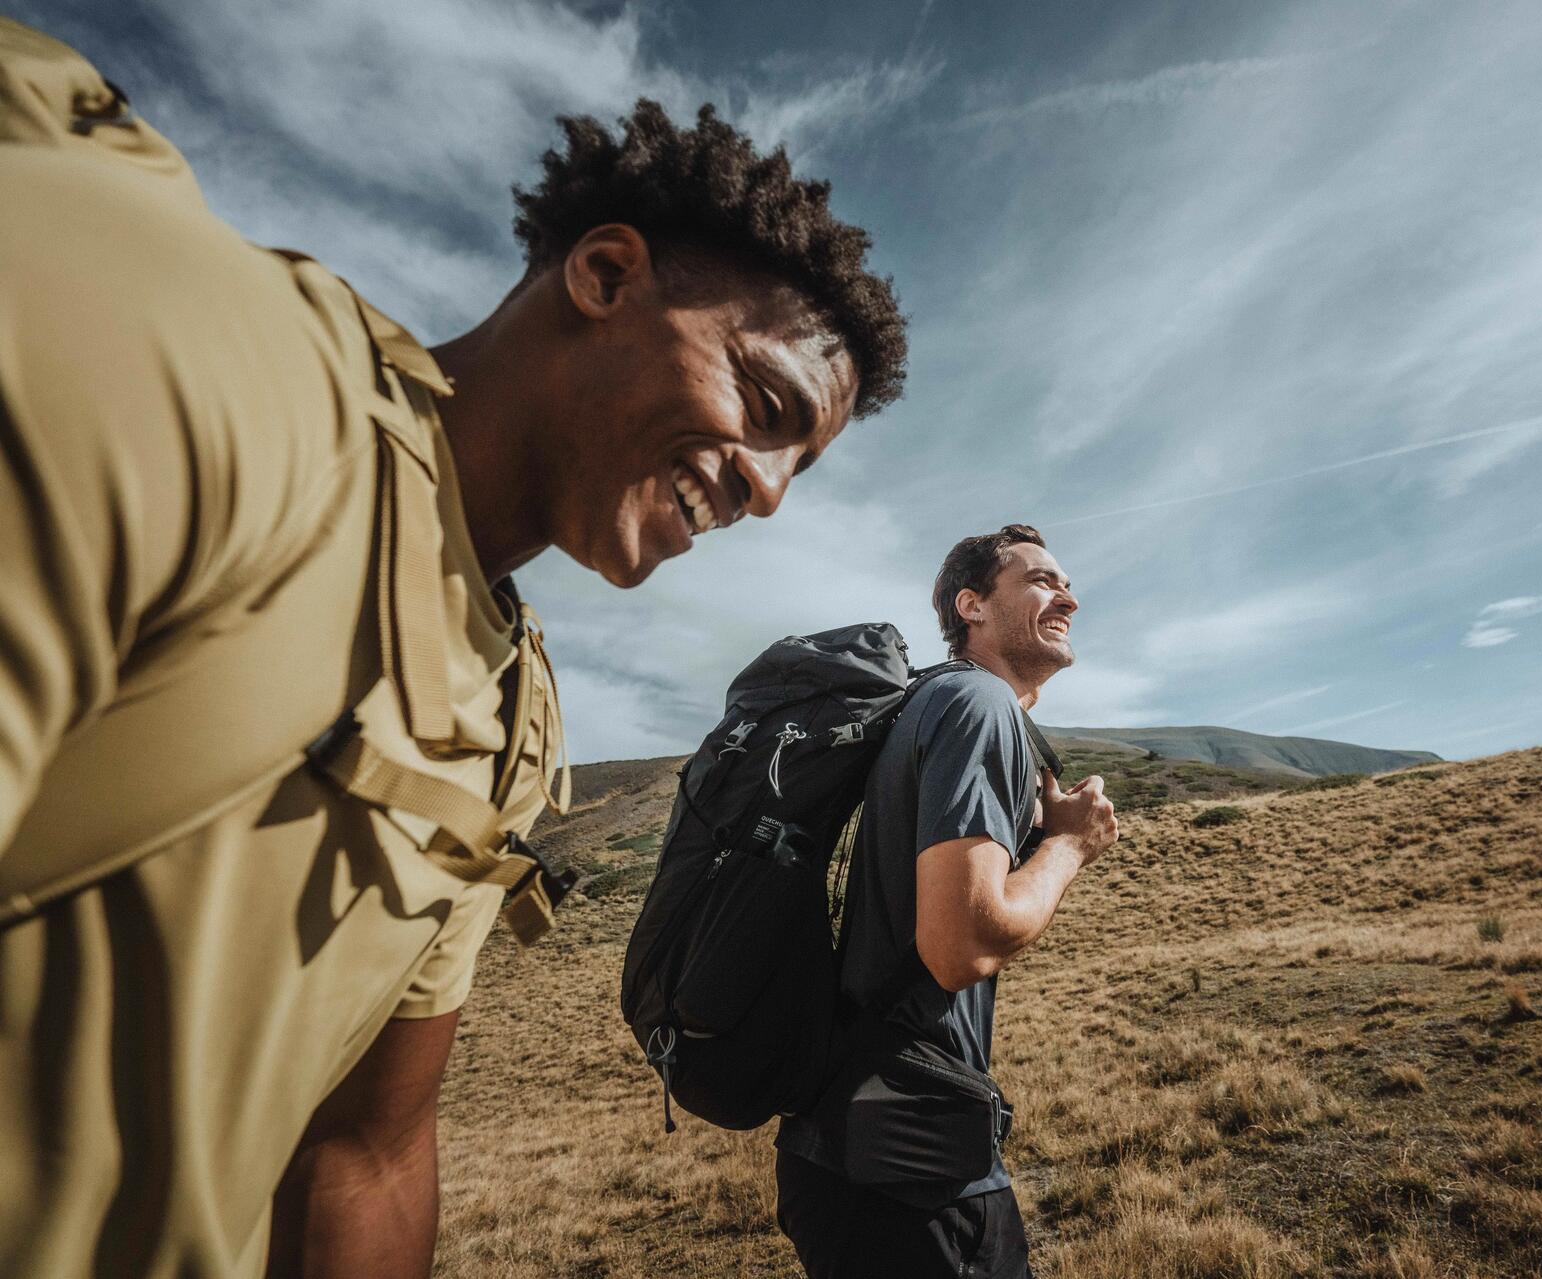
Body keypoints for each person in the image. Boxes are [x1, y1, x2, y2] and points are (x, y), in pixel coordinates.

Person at [0, 19, 906, 1279]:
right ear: (603, 275)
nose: (765, 495)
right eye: (764, 408)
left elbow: (365, 1147)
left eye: (795, 470)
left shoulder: (513, 721)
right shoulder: (218, 376)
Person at [775, 525, 1120, 1279]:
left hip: (861, 1137)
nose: (1068, 596)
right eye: (1040, 579)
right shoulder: (977, 704)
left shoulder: (934, 703)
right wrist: (1070, 849)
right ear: (972, 604)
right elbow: (960, 944)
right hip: (906, 1168)